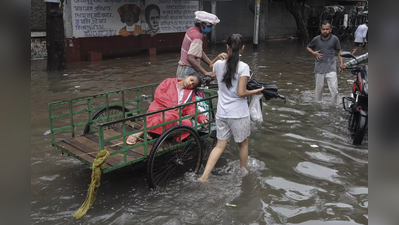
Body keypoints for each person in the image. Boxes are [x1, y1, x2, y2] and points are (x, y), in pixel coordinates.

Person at [198, 34, 264, 182]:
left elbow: (210, 67)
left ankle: (204, 176)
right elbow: (241, 93)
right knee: (243, 144)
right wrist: (257, 91)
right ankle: (243, 172)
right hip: (238, 114)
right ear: (242, 48)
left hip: (222, 113)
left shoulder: (220, 64)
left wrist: (216, 57)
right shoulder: (244, 67)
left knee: (220, 145)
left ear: (227, 47)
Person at [126, 72, 209, 145]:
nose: (190, 83)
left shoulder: (190, 94)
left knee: (188, 124)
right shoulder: (169, 81)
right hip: (160, 108)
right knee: (170, 116)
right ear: (187, 76)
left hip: (176, 115)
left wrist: (200, 117)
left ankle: (154, 133)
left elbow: (191, 108)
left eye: (193, 84)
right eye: (191, 80)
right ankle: (140, 132)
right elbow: (158, 95)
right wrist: (174, 107)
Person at [176, 11, 227, 80]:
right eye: (209, 26)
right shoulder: (197, 36)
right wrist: (205, 72)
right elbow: (190, 57)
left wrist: (211, 63)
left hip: (182, 68)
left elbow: (199, 51)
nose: (210, 29)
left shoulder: (191, 30)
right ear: (202, 24)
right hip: (188, 69)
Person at [306, 20, 343, 105]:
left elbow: (339, 51)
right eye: (323, 29)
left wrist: (341, 64)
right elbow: (308, 47)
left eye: (327, 29)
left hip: (331, 67)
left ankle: (333, 105)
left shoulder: (334, 39)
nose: (325, 31)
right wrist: (314, 53)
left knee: (334, 89)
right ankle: (318, 106)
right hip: (319, 67)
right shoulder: (316, 39)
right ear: (321, 29)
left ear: (330, 30)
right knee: (319, 89)